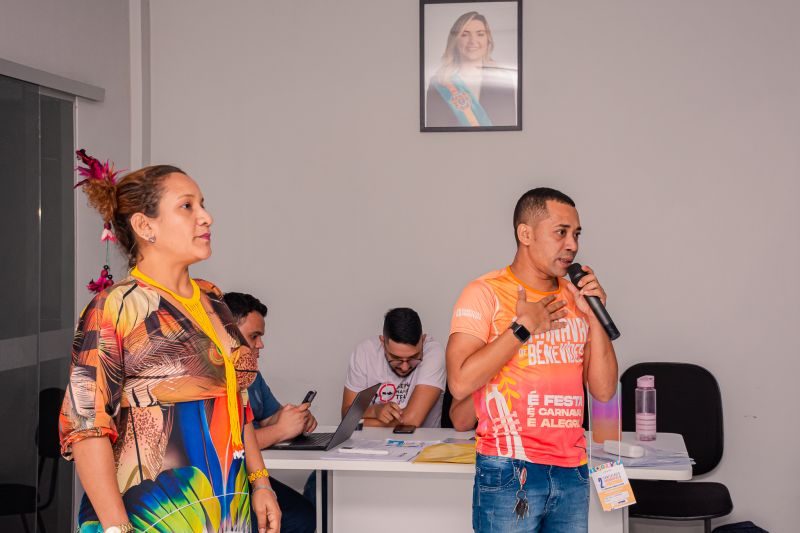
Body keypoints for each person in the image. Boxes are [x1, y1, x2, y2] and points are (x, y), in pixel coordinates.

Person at [59, 155, 280, 533]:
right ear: (145, 226)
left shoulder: (213, 300)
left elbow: (237, 402)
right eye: (187, 206)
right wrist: (117, 528)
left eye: (203, 204)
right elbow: (87, 430)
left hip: (228, 510)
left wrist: (260, 483)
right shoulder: (114, 308)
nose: (206, 217)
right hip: (151, 516)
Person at [447, 187, 618, 532]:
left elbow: (603, 390)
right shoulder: (485, 292)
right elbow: (460, 382)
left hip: (572, 469)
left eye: (576, 234)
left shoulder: (576, 297)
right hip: (509, 467)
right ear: (525, 234)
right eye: (561, 232)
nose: (572, 244)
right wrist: (523, 327)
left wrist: (595, 316)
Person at [223, 292, 316, 533]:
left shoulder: (251, 373)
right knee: (295, 518)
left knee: (305, 514)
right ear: (228, 333)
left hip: (253, 477)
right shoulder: (212, 380)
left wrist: (295, 418)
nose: (260, 344)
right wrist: (281, 430)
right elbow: (227, 443)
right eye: (254, 336)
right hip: (227, 483)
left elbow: (269, 417)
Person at [342, 308, 446, 428]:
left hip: (422, 439)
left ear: (423, 340)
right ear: (382, 343)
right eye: (396, 358)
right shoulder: (364, 352)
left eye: (413, 357)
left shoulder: (434, 352)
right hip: (369, 439)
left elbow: (411, 420)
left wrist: (359, 423)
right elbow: (346, 415)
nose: (404, 367)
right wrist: (375, 411)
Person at [426, 11, 517, 128]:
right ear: (455, 40)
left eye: (480, 34)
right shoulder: (439, 83)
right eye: (464, 35)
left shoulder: (503, 81)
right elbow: (434, 132)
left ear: (488, 40)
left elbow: (510, 128)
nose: (473, 41)